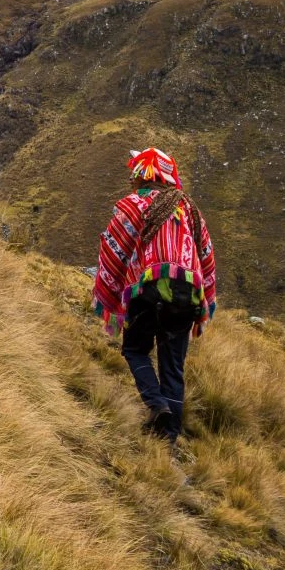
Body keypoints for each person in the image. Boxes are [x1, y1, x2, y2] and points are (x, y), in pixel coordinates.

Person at [93, 147, 217, 443]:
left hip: (146, 293)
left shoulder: (131, 205)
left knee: (135, 350)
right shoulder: (190, 209)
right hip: (187, 296)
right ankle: (169, 440)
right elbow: (207, 256)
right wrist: (205, 296)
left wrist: (109, 294)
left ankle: (156, 404)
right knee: (172, 366)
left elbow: (113, 251)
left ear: (142, 175)